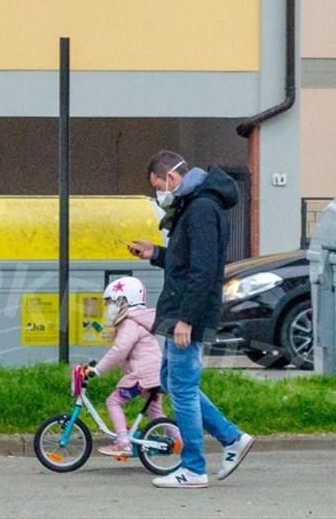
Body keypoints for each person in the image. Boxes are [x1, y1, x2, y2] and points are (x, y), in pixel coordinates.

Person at [127, 150, 254, 489]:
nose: (159, 192)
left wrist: (186, 319)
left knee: (181, 387)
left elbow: (204, 271)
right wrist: (156, 253)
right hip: (182, 310)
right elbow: (186, 262)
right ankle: (231, 438)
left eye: (158, 185)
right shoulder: (196, 204)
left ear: (171, 176)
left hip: (187, 314)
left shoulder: (201, 209)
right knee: (171, 380)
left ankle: (194, 468)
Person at [87, 276, 166, 457]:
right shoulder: (139, 321)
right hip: (154, 374)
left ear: (124, 301)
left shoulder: (130, 322)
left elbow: (120, 350)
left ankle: (123, 442)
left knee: (113, 401)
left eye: (110, 302)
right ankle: (183, 443)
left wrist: (98, 370)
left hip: (141, 376)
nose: (108, 308)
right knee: (155, 414)